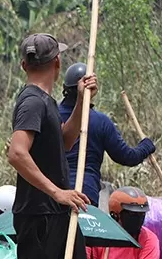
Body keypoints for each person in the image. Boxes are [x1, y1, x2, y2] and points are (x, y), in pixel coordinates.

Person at [0, 33, 122, 259]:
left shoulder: (47, 103)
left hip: (60, 213)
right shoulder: (32, 103)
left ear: (24, 65)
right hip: (39, 214)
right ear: (57, 63)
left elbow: (66, 142)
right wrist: (56, 191)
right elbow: (16, 152)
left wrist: (82, 98)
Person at [57, 63, 156, 206]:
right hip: (85, 197)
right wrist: (146, 145)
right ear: (91, 89)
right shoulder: (100, 122)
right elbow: (127, 157)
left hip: (55, 194)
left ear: (65, 89)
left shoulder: (51, 114)